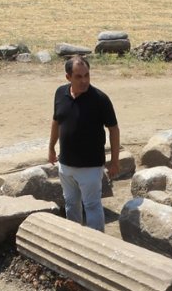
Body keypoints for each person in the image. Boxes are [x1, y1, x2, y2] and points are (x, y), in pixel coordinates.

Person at [48, 55, 120, 232]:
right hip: (66, 165)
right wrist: (51, 148)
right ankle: (76, 239)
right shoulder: (60, 93)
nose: (84, 80)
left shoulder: (100, 99)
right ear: (68, 77)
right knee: (71, 205)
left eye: (87, 75)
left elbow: (114, 130)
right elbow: (56, 122)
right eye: (78, 77)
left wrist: (115, 161)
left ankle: (97, 244)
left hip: (90, 167)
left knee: (92, 206)